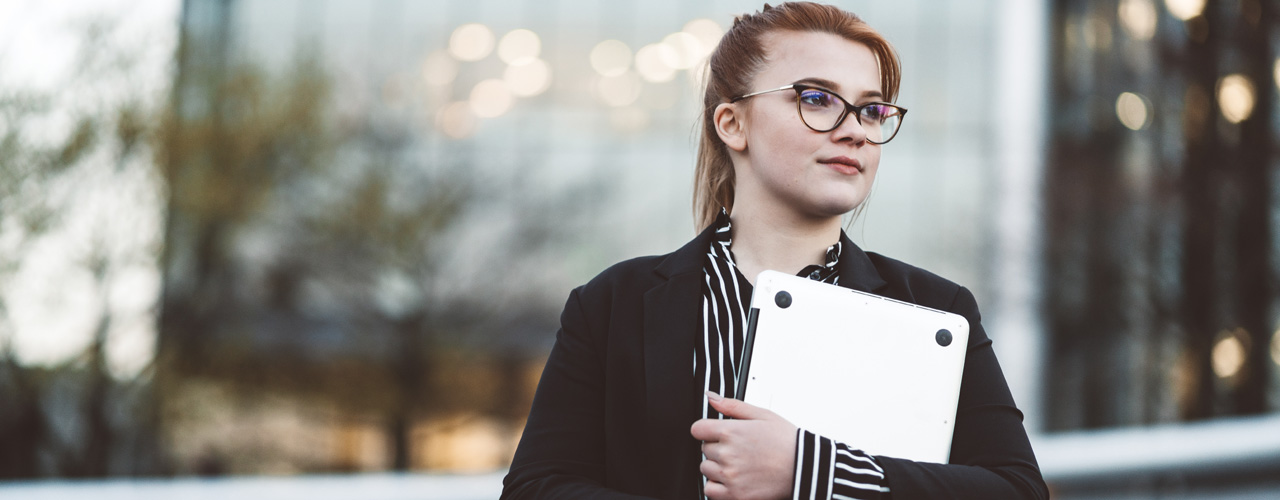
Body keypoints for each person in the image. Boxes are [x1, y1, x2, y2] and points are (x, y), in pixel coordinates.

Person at [501, 2, 1048, 499]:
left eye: (872, 110)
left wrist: (812, 469)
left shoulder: (937, 309)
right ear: (733, 123)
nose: (854, 130)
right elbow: (534, 488)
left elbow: (1017, 489)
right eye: (817, 98)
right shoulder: (614, 302)